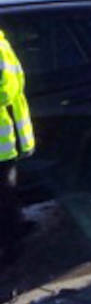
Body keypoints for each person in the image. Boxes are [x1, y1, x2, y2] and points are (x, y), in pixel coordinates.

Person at [0, 28, 34, 266]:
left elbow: (8, 90)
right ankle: (15, 232)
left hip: (3, 144)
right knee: (6, 198)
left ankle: (9, 250)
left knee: (3, 200)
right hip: (6, 140)